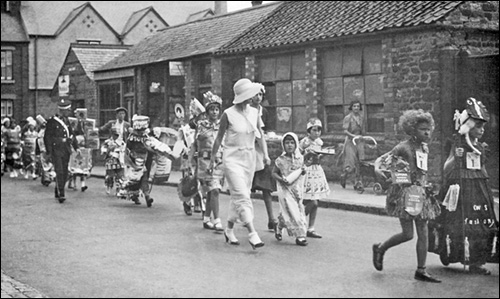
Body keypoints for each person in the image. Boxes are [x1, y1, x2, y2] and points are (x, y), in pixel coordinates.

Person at [372, 109, 441, 283]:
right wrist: (379, 169)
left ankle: (421, 270)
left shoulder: (424, 147)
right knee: (408, 234)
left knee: (423, 231)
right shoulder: (403, 147)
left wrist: (427, 185)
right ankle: (380, 248)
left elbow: (421, 170)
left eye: (428, 128)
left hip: (420, 193)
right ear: (411, 129)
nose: (427, 132)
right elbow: (383, 160)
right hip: (404, 193)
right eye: (422, 129)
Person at [434, 98, 498, 274]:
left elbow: (482, 169)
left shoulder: (482, 148)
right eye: (478, 126)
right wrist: (456, 157)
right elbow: (446, 168)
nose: (482, 130)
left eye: (483, 127)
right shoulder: (458, 144)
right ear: (469, 126)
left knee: (480, 223)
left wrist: (488, 190)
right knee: (461, 222)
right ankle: (450, 251)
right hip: (462, 189)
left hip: (479, 189)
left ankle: (476, 261)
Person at [209, 78, 270, 250]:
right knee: (242, 195)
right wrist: (213, 159)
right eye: (249, 94)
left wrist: (265, 154)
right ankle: (252, 233)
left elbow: (260, 135)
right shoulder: (227, 114)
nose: (253, 97)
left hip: (248, 159)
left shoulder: (255, 112)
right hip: (232, 159)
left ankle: (229, 230)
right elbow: (219, 138)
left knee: (239, 196)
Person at [121, 115, 175, 207]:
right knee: (135, 179)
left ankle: (147, 196)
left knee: (144, 177)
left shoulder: (147, 136)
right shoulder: (132, 137)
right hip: (134, 161)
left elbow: (152, 145)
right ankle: (139, 196)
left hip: (145, 160)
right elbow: (128, 148)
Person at [190, 91, 224, 231]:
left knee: (212, 191)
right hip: (205, 161)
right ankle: (217, 220)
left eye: (217, 109)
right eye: (212, 109)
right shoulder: (202, 125)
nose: (214, 112)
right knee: (214, 189)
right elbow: (196, 142)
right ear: (207, 111)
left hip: (219, 161)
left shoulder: (223, 125)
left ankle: (206, 219)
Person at [272, 132, 308, 246]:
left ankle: (279, 226)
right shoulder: (280, 160)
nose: (290, 145)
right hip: (284, 189)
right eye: (287, 143)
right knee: (293, 211)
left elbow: (303, 172)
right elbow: (274, 173)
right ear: (283, 145)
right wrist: (281, 179)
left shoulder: (300, 159)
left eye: (292, 143)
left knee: (291, 210)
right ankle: (300, 235)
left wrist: (303, 171)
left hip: (296, 189)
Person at [250, 84, 278, 231]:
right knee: (246, 188)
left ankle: (271, 218)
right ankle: (245, 217)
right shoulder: (246, 111)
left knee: (267, 187)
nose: (258, 97)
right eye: (255, 94)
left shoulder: (264, 112)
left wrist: (266, 153)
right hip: (248, 152)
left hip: (260, 151)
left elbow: (264, 132)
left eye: (260, 95)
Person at [44, 99, 80, 203]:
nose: (69, 112)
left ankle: (58, 188)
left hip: (66, 150)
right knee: (59, 171)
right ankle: (61, 193)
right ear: (62, 111)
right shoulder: (52, 122)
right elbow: (47, 137)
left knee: (65, 172)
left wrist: (76, 147)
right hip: (56, 150)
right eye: (67, 110)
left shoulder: (67, 121)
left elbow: (71, 135)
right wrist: (49, 151)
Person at [299, 118, 330, 239]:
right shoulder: (304, 142)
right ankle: (298, 220)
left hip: (316, 172)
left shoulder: (319, 142)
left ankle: (311, 228)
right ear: (309, 131)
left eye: (319, 130)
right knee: (311, 202)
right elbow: (298, 156)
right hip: (306, 171)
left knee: (316, 201)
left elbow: (319, 157)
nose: (317, 133)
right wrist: (307, 155)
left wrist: (320, 155)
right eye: (314, 130)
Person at [339, 100, 365, 190]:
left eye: (358, 106)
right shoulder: (348, 118)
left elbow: (362, 130)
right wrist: (354, 136)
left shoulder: (361, 118)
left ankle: (357, 182)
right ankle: (344, 175)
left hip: (359, 142)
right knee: (351, 163)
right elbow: (345, 131)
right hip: (350, 142)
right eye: (354, 106)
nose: (356, 108)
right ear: (351, 107)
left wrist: (362, 137)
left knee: (360, 162)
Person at [68, 117, 92, 192]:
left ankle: (80, 185)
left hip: (80, 153)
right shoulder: (77, 137)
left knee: (79, 170)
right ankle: (78, 184)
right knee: (78, 170)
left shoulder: (78, 137)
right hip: (78, 153)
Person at [101, 127, 126, 195]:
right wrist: (108, 150)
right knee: (110, 176)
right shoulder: (107, 142)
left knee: (120, 176)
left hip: (119, 160)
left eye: (117, 135)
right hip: (110, 160)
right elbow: (103, 150)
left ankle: (118, 189)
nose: (116, 136)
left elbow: (125, 150)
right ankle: (108, 187)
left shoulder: (122, 142)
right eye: (115, 134)